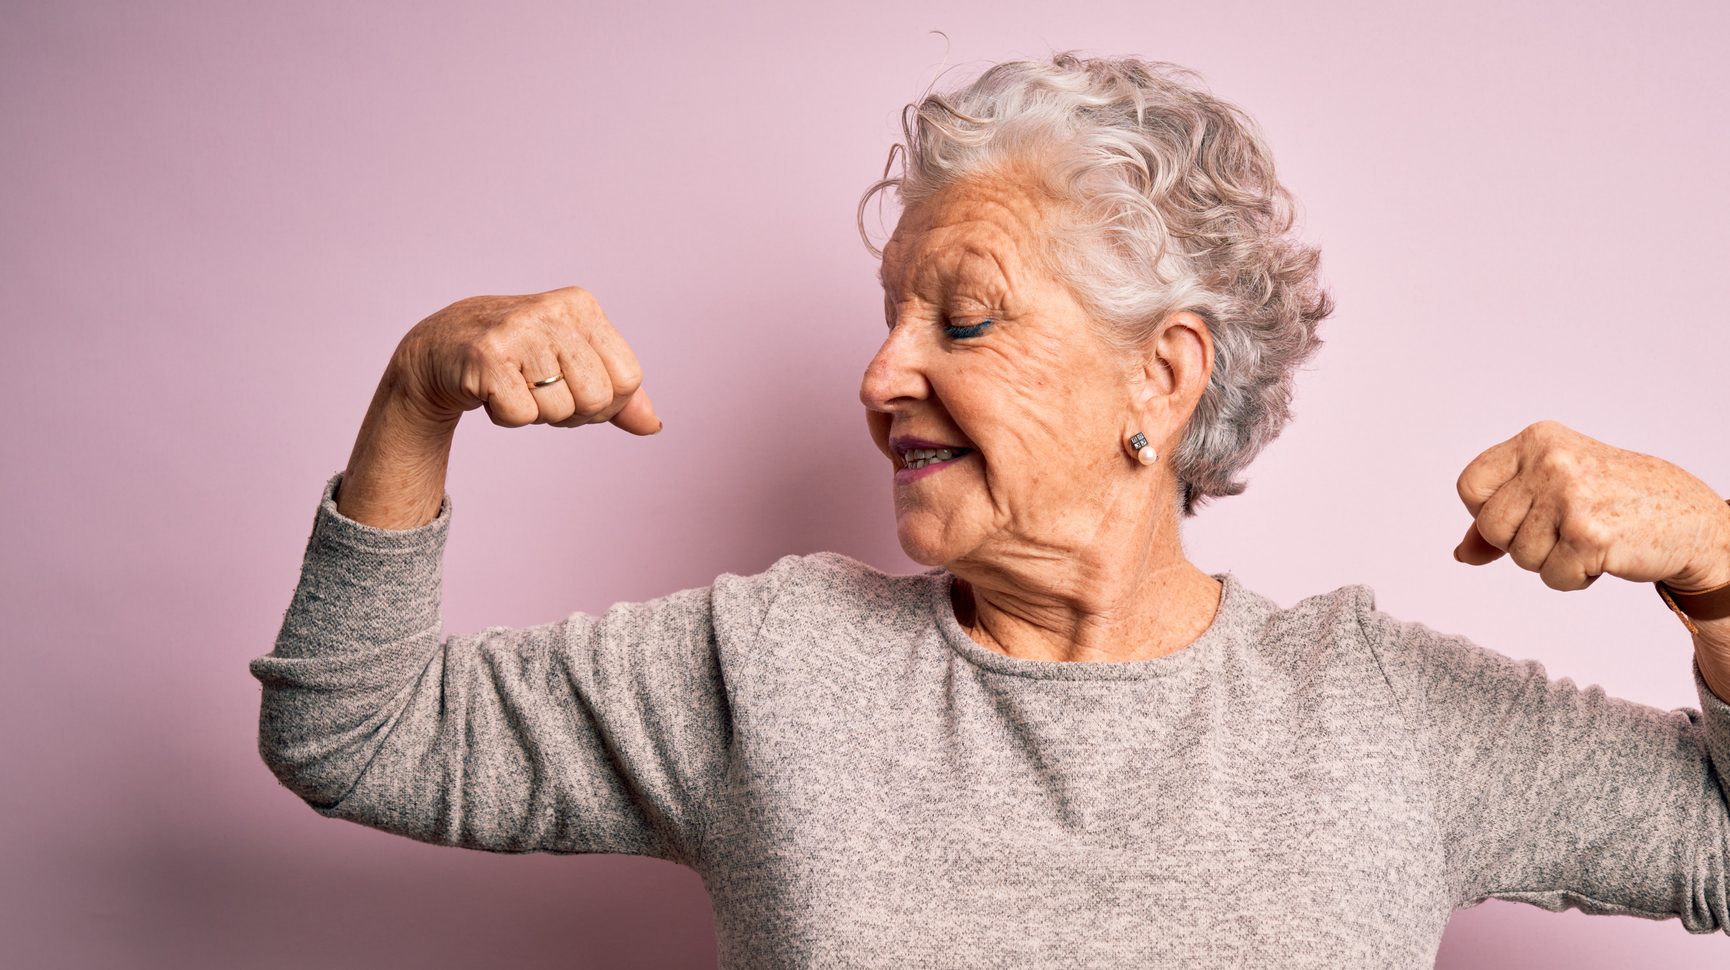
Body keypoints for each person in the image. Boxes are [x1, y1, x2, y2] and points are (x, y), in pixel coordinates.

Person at [249, 52, 1730, 967]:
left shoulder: (1380, 713)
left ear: (1159, 376)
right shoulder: (773, 667)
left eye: (959, 320)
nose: (879, 372)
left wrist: (1718, 568)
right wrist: (417, 391)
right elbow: (351, 729)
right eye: (888, 318)